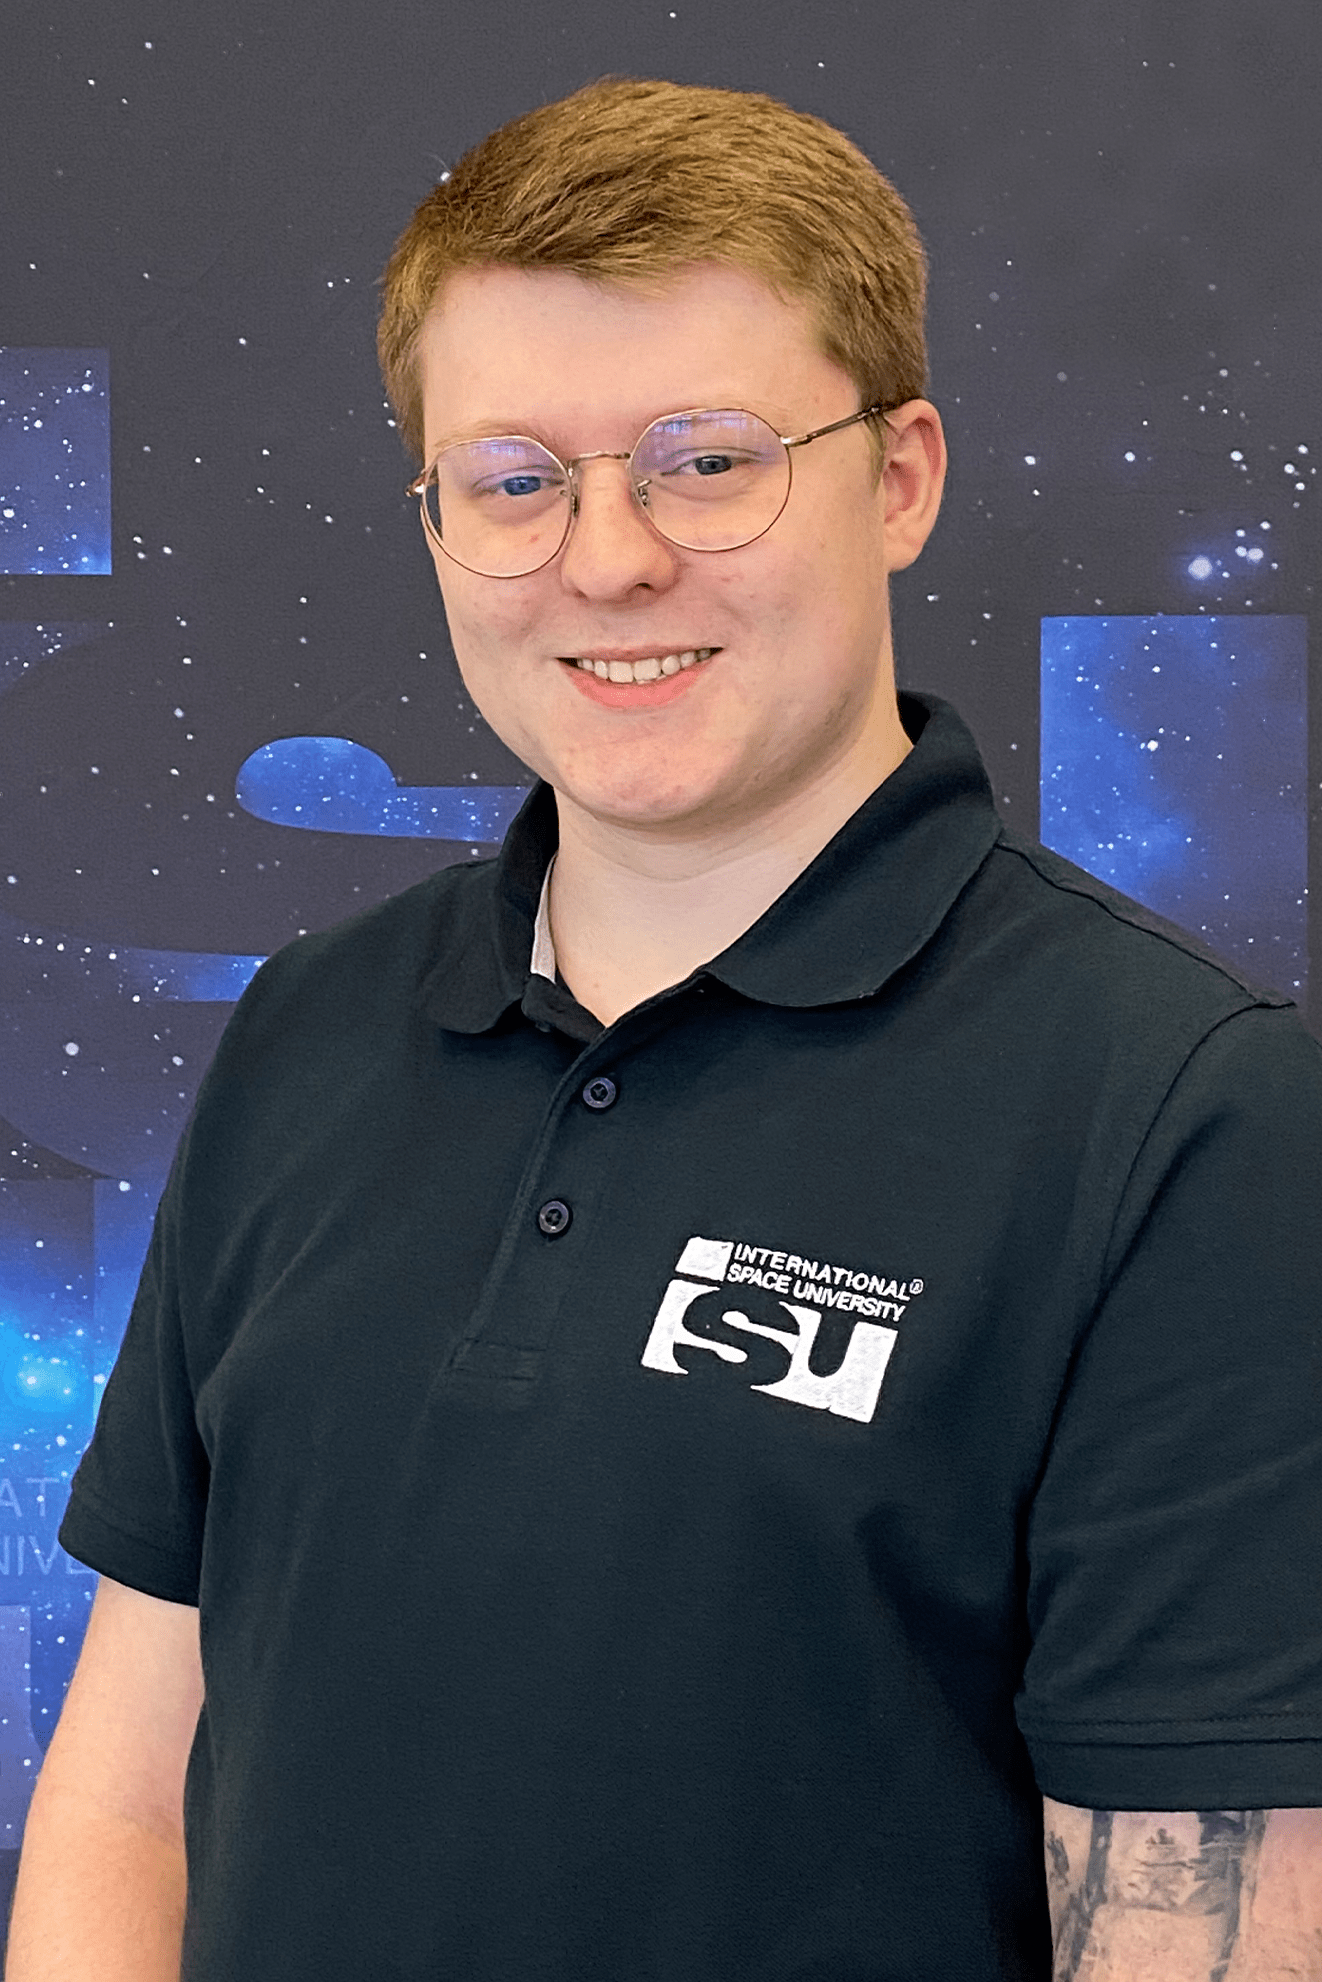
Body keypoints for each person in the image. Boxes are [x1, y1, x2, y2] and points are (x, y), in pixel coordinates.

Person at [10, 75, 1322, 1982]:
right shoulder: (310, 1029)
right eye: (512, 479)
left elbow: (1195, 1930)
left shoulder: (1183, 1115)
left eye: (706, 460)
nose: (607, 558)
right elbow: (130, 1799)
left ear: (899, 477)